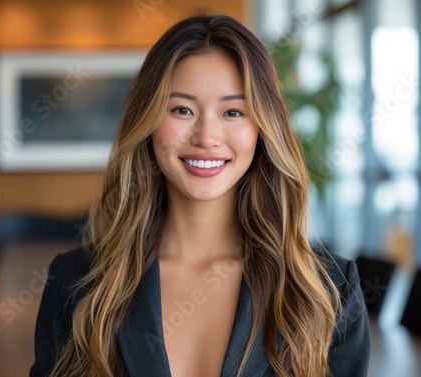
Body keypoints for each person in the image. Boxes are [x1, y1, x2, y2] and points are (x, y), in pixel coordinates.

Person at [30, 14, 370, 377]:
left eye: (233, 111)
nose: (207, 137)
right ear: (147, 123)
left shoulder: (329, 291)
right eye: (182, 109)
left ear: (262, 130)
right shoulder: (75, 283)